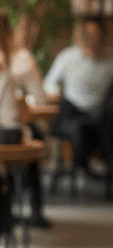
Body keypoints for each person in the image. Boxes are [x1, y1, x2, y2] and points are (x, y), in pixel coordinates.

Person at [0, 6, 50, 227]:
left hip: (15, 126)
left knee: (27, 139)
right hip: (5, 128)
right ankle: (21, 210)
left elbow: (38, 99)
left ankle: (23, 209)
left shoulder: (18, 60)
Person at [45, 15, 113, 175]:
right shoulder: (68, 57)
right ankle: (84, 165)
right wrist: (55, 93)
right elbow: (48, 83)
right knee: (78, 130)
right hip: (71, 113)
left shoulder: (109, 63)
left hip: (99, 116)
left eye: (96, 34)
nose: (92, 39)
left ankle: (102, 164)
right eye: (88, 34)